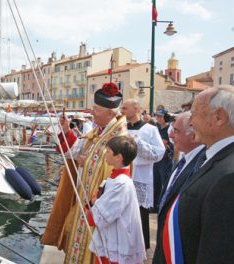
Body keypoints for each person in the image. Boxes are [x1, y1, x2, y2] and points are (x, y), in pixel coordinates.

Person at [42, 82, 128, 263]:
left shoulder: (120, 138)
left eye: (96, 109)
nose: (92, 112)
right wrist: (66, 131)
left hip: (100, 209)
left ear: (110, 113)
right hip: (84, 201)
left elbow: (112, 172)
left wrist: (85, 161)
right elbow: (74, 151)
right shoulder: (98, 131)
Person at [166, 86, 234, 263]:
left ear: (219, 117)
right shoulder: (218, 159)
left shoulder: (230, 175)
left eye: (194, 114)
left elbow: (218, 252)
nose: (191, 123)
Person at [153, 111, 205, 264]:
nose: (170, 136)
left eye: (176, 131)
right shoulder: (186, 158)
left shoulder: (201, 163)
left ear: (193, 134)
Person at [86, 135, 146, 264]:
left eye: (108, 152)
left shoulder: (122, 184)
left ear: (118, 157)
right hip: (112, 235)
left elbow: (101, 215)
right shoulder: (117, 178)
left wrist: (95, 202)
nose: (105, 154)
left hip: (118, 239)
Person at [121, 99, 165, 250]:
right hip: (122, 175)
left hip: (140, 176)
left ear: (136, 108)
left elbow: (159, 153)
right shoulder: (121, 128)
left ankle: (141, 247)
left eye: (125, 108)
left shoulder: (150, 129)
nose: (122, 111)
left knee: (140, 213)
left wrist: (138, 142)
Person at [153, 109, 174, 210]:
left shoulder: (169, 129)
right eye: (157, 116)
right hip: (156, 159)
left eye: (160, 116)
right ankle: (155, 205)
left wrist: (155, 143)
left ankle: (164, 205)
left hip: (165, 160)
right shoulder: (156, 128)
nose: (158, 118)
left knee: (165, 183)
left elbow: (163, 143)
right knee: (155, 183)